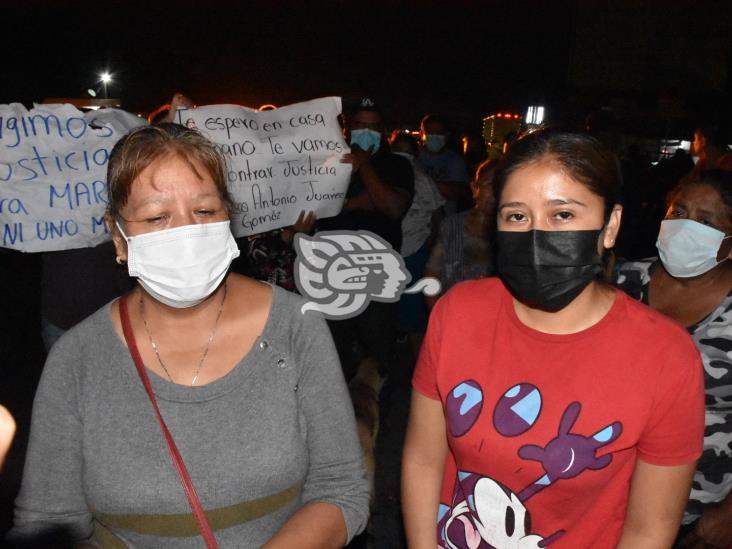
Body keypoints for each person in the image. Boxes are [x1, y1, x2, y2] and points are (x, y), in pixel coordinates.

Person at [10, 123, 369, 548]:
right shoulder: (77, 359)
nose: (185, 233)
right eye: (157, 217)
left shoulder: (296, 325)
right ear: (118, 237)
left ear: (228, 219)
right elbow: (49, 525)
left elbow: (340, 489)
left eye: (203, 212)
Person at [402, 131, 705, 548]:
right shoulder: (457, 313)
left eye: (562, 215)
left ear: (610, 225)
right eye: (516, 216)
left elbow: (650, 528)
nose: (536, 235)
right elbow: (424, 459)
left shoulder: (666, 356)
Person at [616, 170, 732, 549]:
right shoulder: (625, 283)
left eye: (705, 221)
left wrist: (728, 514)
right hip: (611, 492)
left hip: (699, 506)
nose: (685, 227)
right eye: (678, 211)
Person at [318, 98, 414, 380]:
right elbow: (316, 205)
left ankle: (375, 418)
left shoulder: (396, 165)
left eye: (373, 126)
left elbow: (393, 207)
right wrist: (360, 202)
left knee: (378, 356)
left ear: (383, 131)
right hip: (330, 274)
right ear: (348, 127)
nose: (366, 131)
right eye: (360, 124)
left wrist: (365, 167)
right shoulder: (327, 160)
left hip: (377, 277)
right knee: (332, 356)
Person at [424, 158, 498, 310]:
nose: (495, 194)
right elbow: (432, 273)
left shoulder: (513, 231)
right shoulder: (452, 225)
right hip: (454, 312)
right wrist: (436, 312)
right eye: (489, 185)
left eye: (502, 186)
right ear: (474, 188)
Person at [416, 114, 470, 214]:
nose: (435, 136)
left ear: (447, 135)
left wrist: (422, 183)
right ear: (422, 134)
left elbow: (458, 192)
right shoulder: (414, 157)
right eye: (430, 133)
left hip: (446, 219)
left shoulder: (455, 160)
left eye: (439, 133)